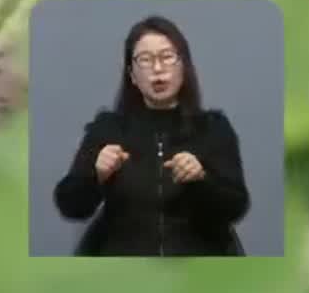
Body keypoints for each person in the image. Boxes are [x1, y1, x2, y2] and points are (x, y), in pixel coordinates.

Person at [52, 14, 251, 256]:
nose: (157, 69)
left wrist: (202, 179)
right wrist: (97, 175)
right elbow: (70, 205)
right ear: (132, 75)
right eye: (145, 60)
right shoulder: (108, 128)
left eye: (167, 57)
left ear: (184, 67)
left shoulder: (212, 128)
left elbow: (236, 206)